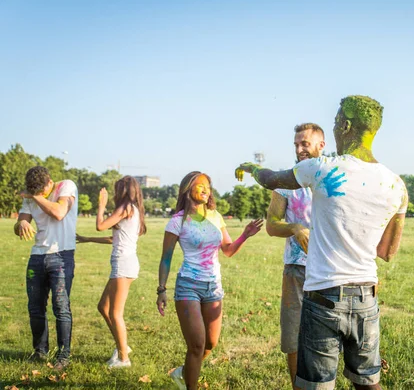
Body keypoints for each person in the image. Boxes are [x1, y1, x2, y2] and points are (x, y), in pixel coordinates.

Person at [236, 95, 408, 390]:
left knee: (316, 387)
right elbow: (387, 252)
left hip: (322, 298)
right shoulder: (396, 185)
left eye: (335, 122)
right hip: (367, 298)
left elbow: (269, 178)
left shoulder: (320, 168)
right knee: (368, 383)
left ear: (345, 125)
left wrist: (252, 167)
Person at [156, 171, 263, 390]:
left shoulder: (215, 216)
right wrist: (161, 289)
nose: (206, 190)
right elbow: (166, 258)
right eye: (201, 186)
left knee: (210, 343)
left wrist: (245, 234)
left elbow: (228, 250)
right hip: (188, 285)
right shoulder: (178, 221)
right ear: (188, 189)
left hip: (213, 287)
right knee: (196, 344)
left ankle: (183, 373)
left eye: (208, 186)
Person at [266, 123, 325, 389]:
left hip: (330, 270)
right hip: (296, 270)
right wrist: (294, 228)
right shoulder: (285, 184)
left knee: (325, 339)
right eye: (296, 144)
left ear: (321, 145)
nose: (300, 149)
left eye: (305, 143)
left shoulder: (333, 177)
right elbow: (271, 224)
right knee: (294, 337)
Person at [76, 176, 147, 368]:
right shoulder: (134, 209)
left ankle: (124, 358)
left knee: (116, 313)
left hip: (123, 265)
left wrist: (101, 205)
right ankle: (122, 345)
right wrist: (87, 239)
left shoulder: (125, 208)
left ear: (122, 190)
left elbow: (100, 225)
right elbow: (113, 238)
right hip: (125, 264)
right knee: (103, 307)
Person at [14, 166, 78, 371]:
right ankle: (40, 352)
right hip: (37, 257)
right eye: (35, 192)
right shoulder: (31, 195)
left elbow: (59, 212)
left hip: (61, 255)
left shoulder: (66, 186)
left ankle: (63, 355)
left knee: (61, 307)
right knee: (35, 307)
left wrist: (35, 196)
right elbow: (21, 221)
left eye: (42, 191)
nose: (39, 195)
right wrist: (21, 224)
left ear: (50, 182)